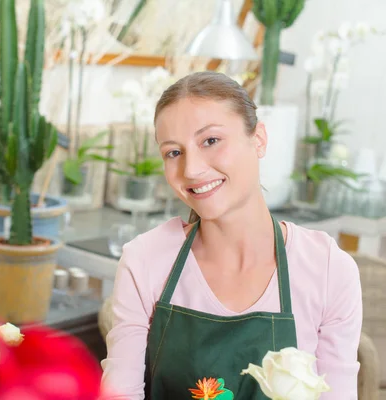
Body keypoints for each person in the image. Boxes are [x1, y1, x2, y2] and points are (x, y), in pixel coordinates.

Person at [100, 71, 362, 399]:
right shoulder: (145, 260)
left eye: (211, 140)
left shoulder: (328, 270)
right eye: (173, 152)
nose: (191, 169)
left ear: (259, 139)